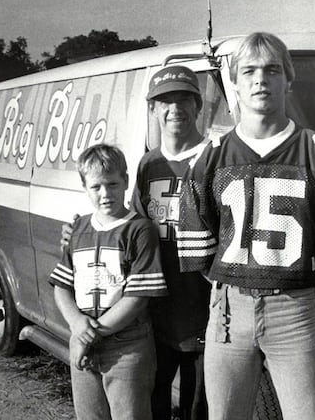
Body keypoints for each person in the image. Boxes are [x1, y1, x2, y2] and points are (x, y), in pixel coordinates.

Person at [176, 32, 315, 420]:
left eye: (272, 70)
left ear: (288, 79)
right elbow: (198, 245)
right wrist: (234, 287)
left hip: (295, 310)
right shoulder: (209, 158)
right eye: (249, 71)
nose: (261, 79)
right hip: (229, 312)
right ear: (236, 84)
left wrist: (299, 295)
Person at [62, 65, 211, 420]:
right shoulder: (148, 163)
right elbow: (126, 225)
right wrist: (77, 234)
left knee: (197, 406)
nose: (174, 108)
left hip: (201, 307)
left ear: (198, 106)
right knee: (152, 403)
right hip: (151, 314)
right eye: (165, 101)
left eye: (184, 99)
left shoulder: (215, 157)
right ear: (153, 110)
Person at [51, 144, 168, 420]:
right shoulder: (78, 229)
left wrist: (91, 334)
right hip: (82, 339)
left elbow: (137, 298)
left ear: (126, 181)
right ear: (84, 186)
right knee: (90, 415)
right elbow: (62, 287)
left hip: (126, 345)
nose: (105, 194)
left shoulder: (139, 230)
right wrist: (78, 327)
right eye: (96, 187)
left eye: (113, 184)